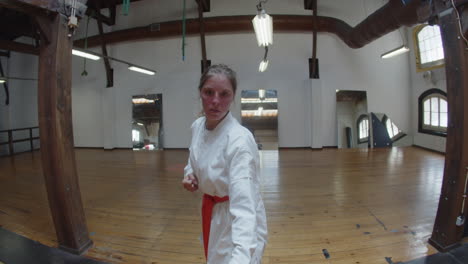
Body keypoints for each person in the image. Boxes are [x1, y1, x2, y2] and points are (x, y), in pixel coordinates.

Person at [182, 64, 268, 263]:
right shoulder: (197, 126)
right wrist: (189, 175)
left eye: (224, 94)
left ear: (233, 97)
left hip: (235, 220)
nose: (215, 101)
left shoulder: (239, 141)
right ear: (200, 93)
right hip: (212, 213)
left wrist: (242, 256)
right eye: (209, 92)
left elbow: (245, 207)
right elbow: (194, 159)